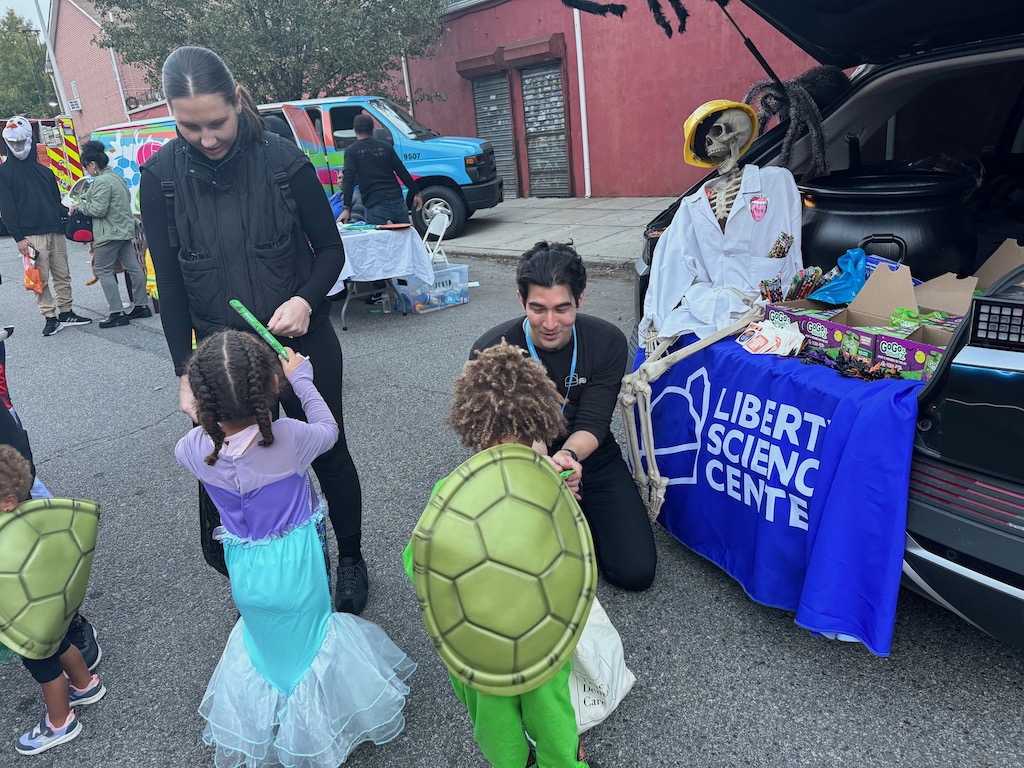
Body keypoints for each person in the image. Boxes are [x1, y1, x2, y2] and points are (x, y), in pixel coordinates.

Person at [139, 46, 368, 613]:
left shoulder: (284, 163)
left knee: (327, 450)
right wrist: (184, 372)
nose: (208, 137)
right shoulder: (160, 178)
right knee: (223, 458)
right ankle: (242, 560)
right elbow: (168, 285)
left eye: (217, 122)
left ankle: (353, 557)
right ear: (172, 115)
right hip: (220, 360)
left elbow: (331, 250)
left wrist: (306, 298)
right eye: (190, 127)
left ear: (235, 102)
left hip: (296, 342)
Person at [175, 330, 415, 767]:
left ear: (199, 401)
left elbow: (197, 422)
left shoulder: (191, 450)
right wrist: (301, 379)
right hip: (297, 564)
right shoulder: (288, 438)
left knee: (265, 644)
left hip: (246, 569)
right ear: (269, 388)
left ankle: (274, 716)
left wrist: (194, 402)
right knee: (315, 635)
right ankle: (321, 725)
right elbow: (329, 429)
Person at [403, 341, 598, 768]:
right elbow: (570, 553)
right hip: (539, 635)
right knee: (551, 712)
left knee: (493, 720)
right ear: (542, 428)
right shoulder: (547, 482)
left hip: (475, 645)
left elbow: (417, 562)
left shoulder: (450, 495)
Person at [472, 242, 657, 592]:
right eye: (537, 309)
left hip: (588, 452)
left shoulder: (607, 340)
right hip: (522, 458)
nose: (551, 323)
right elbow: (497, 436)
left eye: (563, 308)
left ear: (580, 300)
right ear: (520, 300)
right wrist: (544, 467)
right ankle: (568, 517)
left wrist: (568, 459)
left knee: (635, 573)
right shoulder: (493, 349)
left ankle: (580, 512)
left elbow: (594, 421)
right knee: (524, 578)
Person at [0, 446, 107, 756]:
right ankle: (86, 685)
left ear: (7, 503)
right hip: (53, 612)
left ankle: (60, 723)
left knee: (44, 667)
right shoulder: (33, 527)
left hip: (28, 619)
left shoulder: (9, 540)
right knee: (61, 645)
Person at [0, 116, 92, 336]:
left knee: (62, 273)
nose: (19, 146)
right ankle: (49, 315)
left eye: (22, 142)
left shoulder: (46, 172)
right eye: (15, 143)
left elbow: (54, 202)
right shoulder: (4, 173)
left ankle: (66, 311)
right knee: (39, 278)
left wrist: (70, 209)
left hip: (54, 231)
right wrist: (18, 238)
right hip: (31, 236)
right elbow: (8, 209)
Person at [71, 140, 151, 328]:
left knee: (103, 270)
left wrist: (79, 205)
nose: (86, 171)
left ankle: (117, 312)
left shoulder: (101, 182)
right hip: (125, 229)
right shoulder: (116, 177)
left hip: (108, 232)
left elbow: (98, 209)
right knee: (133, 267)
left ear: (93, 164)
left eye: (86, 167)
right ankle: (142, 305)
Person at [338, 114, 423, 225]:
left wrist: (346, 207)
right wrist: (416, 192)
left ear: (355, 131)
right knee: (404, 238)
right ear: (372, 129)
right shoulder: (386, 147)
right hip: (397, 200)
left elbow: (349, 179)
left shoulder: (352, 151)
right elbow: (401, 171)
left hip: (375, 203)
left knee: (376, 240)